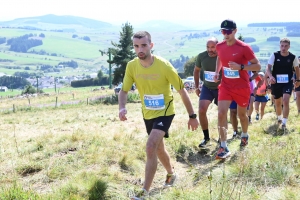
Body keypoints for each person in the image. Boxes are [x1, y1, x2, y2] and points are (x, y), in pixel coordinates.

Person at [118, 31, 199, 199]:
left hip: (165, 112)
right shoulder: (132, 66)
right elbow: (124, 90)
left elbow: (181, 90)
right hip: (148, 113)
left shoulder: (164, 65)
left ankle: (144, 192)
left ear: (151, 45)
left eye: (144, 45)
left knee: (150, 146)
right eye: (136, 46)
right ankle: (171, 173)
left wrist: (192, 116)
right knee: (158, 147)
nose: (140, 49)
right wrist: (122, 107)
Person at [213, 19, 261, 159]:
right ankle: (223, 146)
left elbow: (257, 66)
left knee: (241, 115)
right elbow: (220, 58)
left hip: (241, 87)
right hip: (226, 86)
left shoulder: (244, 47)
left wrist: (241, 67)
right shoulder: (220, 46)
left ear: (235, 31)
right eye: (223, 31)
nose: (226, 34)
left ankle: (245, 134)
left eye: (228, 31)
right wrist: (217, 72)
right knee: (221, 113)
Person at [265, 38, 300, 129]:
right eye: (282, 46)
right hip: (276, 82)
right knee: (278, 102)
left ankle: (284, 123)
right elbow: (268, 68)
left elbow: (297, 68)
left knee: (285, 100)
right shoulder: (274, 55)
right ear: (279, 46)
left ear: (289, 46)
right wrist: (271, 76)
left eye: (285, 46)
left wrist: (298, 80)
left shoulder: (293, 57)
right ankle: (279, 117)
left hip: (288, 82)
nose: (283, 48)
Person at [193, 37, 220, 148]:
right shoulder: (201, 56)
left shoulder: (222, 56)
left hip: (221, 89)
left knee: (221, 113)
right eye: (208, 47)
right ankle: (206, 138)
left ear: (217, 46)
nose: (210, 50)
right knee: (201, 110)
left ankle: (221, 138)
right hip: (207, 87)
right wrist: (196, 87)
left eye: (213, 47)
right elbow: (196, 71)